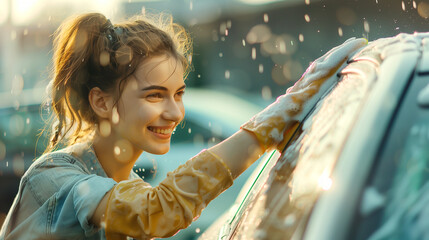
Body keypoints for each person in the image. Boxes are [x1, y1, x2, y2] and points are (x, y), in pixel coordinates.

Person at [0, 12, 367, 240]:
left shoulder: (125, 185)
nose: (176, 112)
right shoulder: (53, 179)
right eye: (155, 96)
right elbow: (155, 213)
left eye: (179, 94)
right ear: (101, 101)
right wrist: (268, 125)